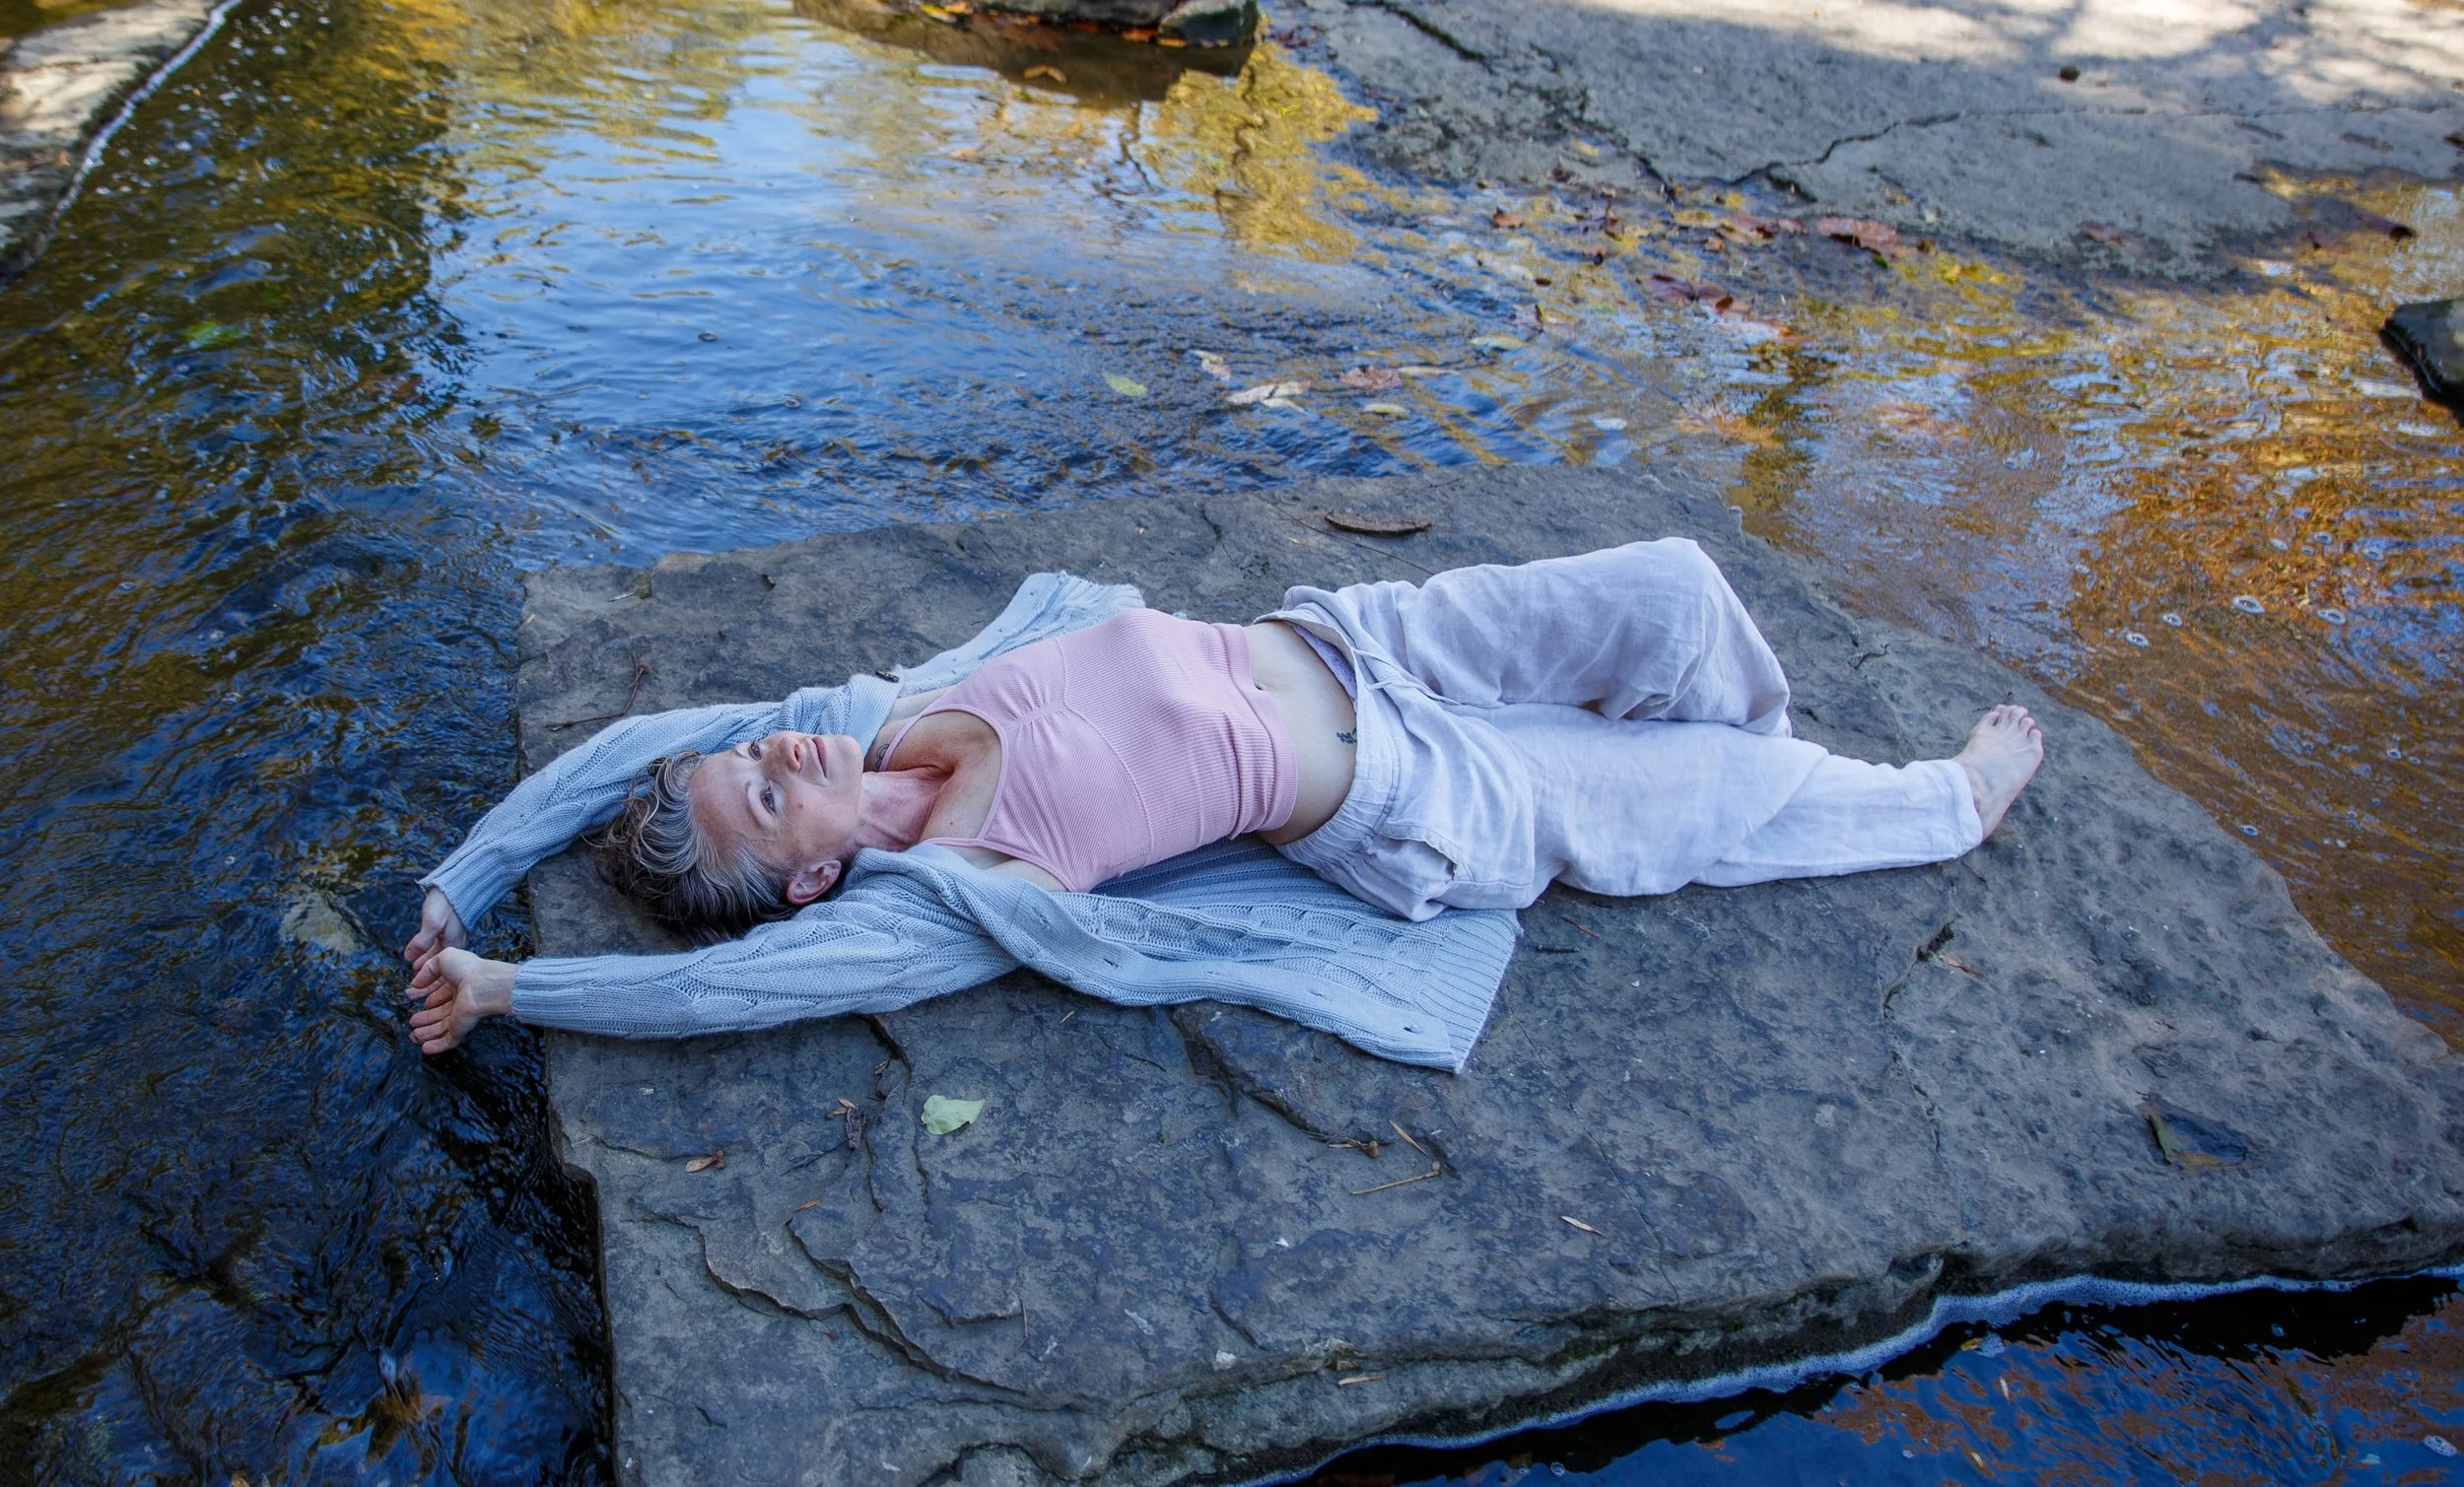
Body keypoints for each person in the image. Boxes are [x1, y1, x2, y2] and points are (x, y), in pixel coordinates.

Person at [404, 540, 2042, 1060]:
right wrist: (508, 987)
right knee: (1708, 795)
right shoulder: (971, 887)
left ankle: (1750, 742)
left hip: (1361, 629)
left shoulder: (871, 714)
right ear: (814, 882)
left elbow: (652, 735)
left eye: (757, 753)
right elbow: (722, 988)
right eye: (768, 797)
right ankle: (1926, 808)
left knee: (1682, 594)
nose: (779, 752)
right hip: (1410, 788)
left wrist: (467, 876)